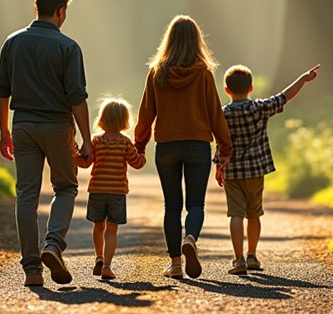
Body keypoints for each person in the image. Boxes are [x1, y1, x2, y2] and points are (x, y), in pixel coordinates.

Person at [0, 0, 92, 287]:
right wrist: (87, 139)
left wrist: (3, 131)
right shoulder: (68, 47)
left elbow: (1, 91)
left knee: (27, 195)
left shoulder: (12, 42)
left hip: (22, 125)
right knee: (65, 187)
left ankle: (32, 269)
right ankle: (52, 245)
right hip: (57, 126)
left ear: (37, 8)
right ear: (60, 12)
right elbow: (76, 96)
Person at [135, 15, 232, 279]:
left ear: (169, 40)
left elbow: (146, 114)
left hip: (166, 145)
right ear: (197, 41)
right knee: (196, 204)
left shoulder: (157, 72)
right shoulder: (203, 74)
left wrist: (140, 145)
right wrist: (225, 146)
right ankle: (190, 238)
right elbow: (215, 114)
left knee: (172, 207)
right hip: (198, 144)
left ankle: (176, 264)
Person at [215, 63, 320, 275]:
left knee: (235, 214)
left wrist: (218, 165)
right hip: (255, 171)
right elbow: (284, 96)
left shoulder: (222, 114)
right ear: (251, 88)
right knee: (254, 214)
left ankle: (239, 260)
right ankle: (252, 255)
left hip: (232, 171)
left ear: (226, 90)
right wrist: (302, 78)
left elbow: (220, 141)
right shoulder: (259, 108)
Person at [73, 97, 147, 280]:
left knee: (98, 226)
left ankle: (98, 257)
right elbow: (137, 164)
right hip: (117, 192)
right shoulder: (125, 142)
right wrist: (142, 152)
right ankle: (106, 266)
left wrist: (74, 155)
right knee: (111, 230)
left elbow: (86, 163)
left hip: (97, 190)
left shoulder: (96, 141)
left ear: (102, 118)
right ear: (124, 121)